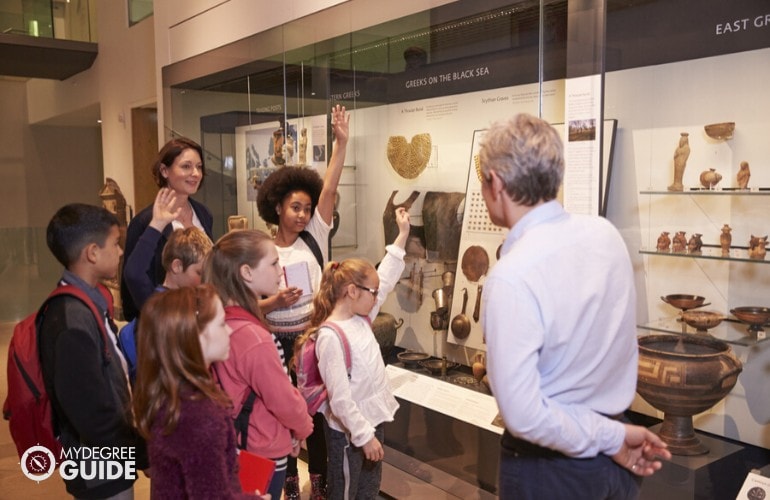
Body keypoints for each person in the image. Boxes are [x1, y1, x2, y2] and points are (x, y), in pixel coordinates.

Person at [477, 114, 671, 499]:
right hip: (615, 457)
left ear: (495, 182)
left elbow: (525, 415)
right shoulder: (605, 234)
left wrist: (611, 438)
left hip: (551, 469)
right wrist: (611, 437)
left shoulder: (511, 276)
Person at [256, 104, 349, 500]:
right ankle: (291, 480)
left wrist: (341, 143)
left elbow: (328, 187)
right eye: (295, 207)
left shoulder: (315, 236)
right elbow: (246, 304)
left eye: (307, 209)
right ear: (277, 207)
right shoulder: (260, 248)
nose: (302, 214)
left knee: (318, 415)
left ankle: (323, 482)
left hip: (311, 340)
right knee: (283, 412)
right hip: (276, 340)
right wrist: (274, 300)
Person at [296, 207, 410, 500]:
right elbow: (341, 399)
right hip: (349, 433)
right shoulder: (331, 337)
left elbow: (384, 278)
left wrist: (403, 235)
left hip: (372, 422)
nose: (377, 296)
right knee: (345, 491)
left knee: (367, 491)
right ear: (351, 291)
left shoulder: (361, 315)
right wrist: (364, 436)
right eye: (371, 292)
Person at [39, 203, 148, 499]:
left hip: (111, 455)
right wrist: (142, 454)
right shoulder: (71, 319)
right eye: (116, 243)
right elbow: (92, 415)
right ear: (92, 252)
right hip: (97, 465)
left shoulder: (89, 302)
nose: (121, 251)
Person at [205, 229, 314, 500]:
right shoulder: (253, 337)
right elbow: (282, 397)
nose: (281, 270)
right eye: (274, 263)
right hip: (260, 447)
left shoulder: (223, 323)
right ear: (247, 272)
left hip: (238, 441)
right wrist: (302, 427)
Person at [132, 285, 269, 499]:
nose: (230, 331)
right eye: (222, 324)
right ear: (195, 336)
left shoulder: (173, 394)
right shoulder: (199, 415)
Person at [121, 137, 213, 321]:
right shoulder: (144, 221)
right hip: (166, 319)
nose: (195, 173)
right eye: (186, 166)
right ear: (164, 171)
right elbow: (132, 280)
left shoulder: (203, 213)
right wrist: (156, 318)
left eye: (199, 167)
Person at [123, 187, 213, 311]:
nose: (205, 280)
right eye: (199, 273)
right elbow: (134, 273)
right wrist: (157, 225)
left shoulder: (199, 299)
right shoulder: (157, 304)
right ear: (177, 266)